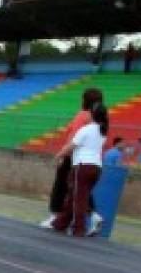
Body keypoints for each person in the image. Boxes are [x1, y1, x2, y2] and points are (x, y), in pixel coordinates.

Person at [43, 87, 104, 231]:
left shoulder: (82, 115)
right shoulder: (100, 121)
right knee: (80, 190)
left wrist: (63, 155)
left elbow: (73, 137)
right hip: (93, 160)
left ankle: (55, 215)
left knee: (60, 186)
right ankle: (94, 215)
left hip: (75, 157)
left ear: (85, 100)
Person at [51, 102, 110, 236]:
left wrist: (58, 156)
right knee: (74, 195)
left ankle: (79, 228)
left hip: (83, 166)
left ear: (92, 115)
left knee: (79, 199)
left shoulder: (86, 129)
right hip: (96, 167)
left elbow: (72, 146)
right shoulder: (103, 131)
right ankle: (60, 223)